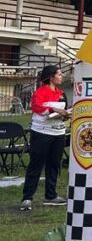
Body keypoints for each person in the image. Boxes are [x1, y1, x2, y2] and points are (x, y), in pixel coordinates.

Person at [20, 65, 71, 211]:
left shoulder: (61, 93)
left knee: (54, 164)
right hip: (41, 133)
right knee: (36, 165)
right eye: (59, 74)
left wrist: (66, 115)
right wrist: (53, 109)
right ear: (51, 77)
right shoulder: (40, 92)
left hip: (58, 133)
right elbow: (36, 107)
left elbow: (63, 112)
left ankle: (51, 195)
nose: (61, 77)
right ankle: (27, 198)